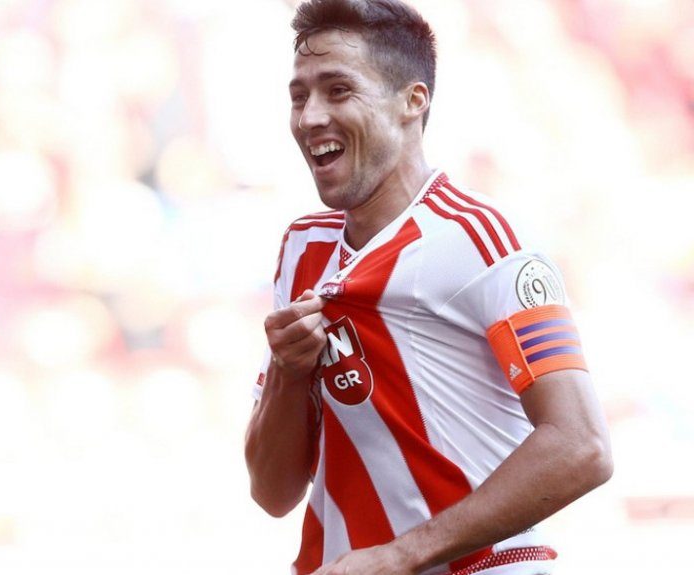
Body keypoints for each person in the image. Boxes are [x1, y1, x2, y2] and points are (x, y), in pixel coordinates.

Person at [242, 1, 614, 574]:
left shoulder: (483, 241)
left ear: (412, 101)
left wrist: (402, 556)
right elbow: (273, 493)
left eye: (338, 90)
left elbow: (581, 445)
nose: (311, 116)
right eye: (299, 96)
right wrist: (290, 375)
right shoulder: (302, 248)